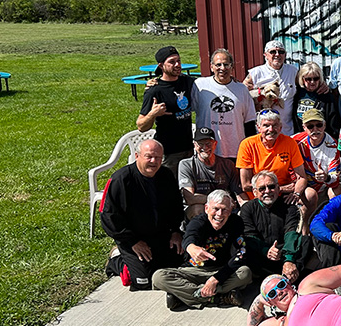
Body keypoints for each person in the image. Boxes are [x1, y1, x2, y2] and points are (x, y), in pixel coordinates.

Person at [102, 140, 183, 290]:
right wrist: (132, 242)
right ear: (137, 155)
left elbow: (176, 207)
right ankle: (117, 260)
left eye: (158, 157)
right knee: (143, 281)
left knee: (180, 265)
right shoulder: (121, 179)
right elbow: (109, 217)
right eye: (149, 157)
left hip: (161, 235)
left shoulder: (166, 175)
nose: (154, 161)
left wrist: (176, 232)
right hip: (133, 239)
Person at [152, 190, 251, 310]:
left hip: (219, 271)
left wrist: (216, 279)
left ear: (230, 210)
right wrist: (191, 247)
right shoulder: (198, 222)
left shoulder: (236, 222)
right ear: (206, 208)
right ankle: (219, 297)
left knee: (245, 273)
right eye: (215, 209)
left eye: (224, 209)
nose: (219, 214)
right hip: (192, 271)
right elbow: (189, 236)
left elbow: (241, 253)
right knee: (159, 277)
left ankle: (186, 295)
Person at [136, 46, 195, 177]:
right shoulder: (155, 90)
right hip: (168, 152)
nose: (177, 65)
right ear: (161, 66)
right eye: (172, 62)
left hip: (189, 149)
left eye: (179, 61)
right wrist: (153, 114)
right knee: (169, 189)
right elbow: (141, 126)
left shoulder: (187, 82)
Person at [241, 171, 309, 280]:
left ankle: (291, 275)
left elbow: (291, 233)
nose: (267, 191)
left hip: (284, 254)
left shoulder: (289, 206)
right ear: (254, 192)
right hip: (260, 255)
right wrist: (266, 251)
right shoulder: (248, 209)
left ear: (278, 188)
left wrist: (288, 260)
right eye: (262, 188)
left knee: (306, 241)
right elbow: (249, 236)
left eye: (271, 187)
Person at [236, 110, 309, 212]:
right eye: (266, 125)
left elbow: (302, 177)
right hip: (259, 196)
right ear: (258, 127)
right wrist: (278, 189)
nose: (271, 129)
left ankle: (305, 227)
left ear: (280, 127)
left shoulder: (289, 143)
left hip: (284, 196)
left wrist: (296, 193)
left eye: (275, 125)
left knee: (310, 195)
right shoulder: (247, 144)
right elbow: (245, 185)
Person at [192, 48, 257, 160]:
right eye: (218, 65)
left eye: (226, 65)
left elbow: (249, 121)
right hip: (207, 150)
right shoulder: (199, 86)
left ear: (232, 67)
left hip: (236, 150)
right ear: (211, 67)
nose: (222, 68)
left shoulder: (241, 89)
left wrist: (250, 149)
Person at [178, 126, 245, 220]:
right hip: (203, 207)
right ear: (195, 145)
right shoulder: (186, 165)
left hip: (224, 208)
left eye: (208, 143)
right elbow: (190, 197)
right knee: (197, 209)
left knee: (244, 212)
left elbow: (239, 193)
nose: (205, 147)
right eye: (200, 144)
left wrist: (248, 207)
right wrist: (222, 201)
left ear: (215, 144)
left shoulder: (228, 165)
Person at [292, 109, 341, 225]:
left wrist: (326, 177)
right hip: (305, 186)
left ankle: (336, 225)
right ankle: (306, 232)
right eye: (310, 126)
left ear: (325, 125)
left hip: (325, 187)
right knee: (310, 195)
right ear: (304, 127)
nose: (315, 130)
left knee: (335, 192)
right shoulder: (294, 141)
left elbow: (335, 180)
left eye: (319, 125)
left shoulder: (332, 145)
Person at [243, 40, 299, 136]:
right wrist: (258, 96)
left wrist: (322, 85)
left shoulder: (293, 71)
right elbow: (242, 92)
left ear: (285, 55)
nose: (277, 55)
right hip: (264, 132)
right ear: (265, 55)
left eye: (281, 52)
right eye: (273, 52)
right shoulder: (256, 73)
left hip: (287, 131)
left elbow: (307, 83)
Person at [291, 61, 341, 138]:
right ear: (302, 79)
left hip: (320, 139)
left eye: (316, 78)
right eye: (308, 79)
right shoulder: (296, 93)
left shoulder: (326, 96)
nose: (312, 82)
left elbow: (333, 122)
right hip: (300, 138)